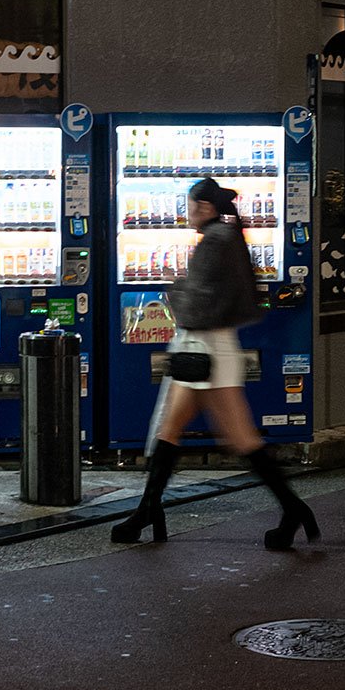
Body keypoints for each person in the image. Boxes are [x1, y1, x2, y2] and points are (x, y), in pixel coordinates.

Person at [111, 177, 319, 551]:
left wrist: (174, 288)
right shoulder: (229, 236)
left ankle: (294, 509)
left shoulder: (215, 241)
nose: (187, 213)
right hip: (209, 349)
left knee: (241, 439)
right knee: (169, 431)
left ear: (204, 208)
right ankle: (147, 510)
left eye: (190, 206)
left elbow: (198, 306)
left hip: (206, 351)